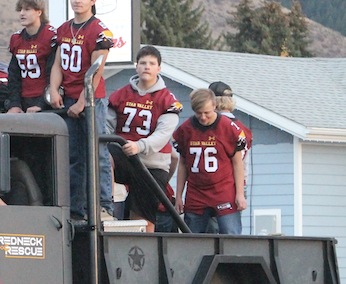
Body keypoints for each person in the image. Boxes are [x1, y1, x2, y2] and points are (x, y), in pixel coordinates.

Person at [48, 0, 114, 220]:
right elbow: (57, 64)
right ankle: (76, 209)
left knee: (98, 152)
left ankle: (104, 206)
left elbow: (96, 71)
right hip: (68, 99)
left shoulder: (99, 31)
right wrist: (54, 90)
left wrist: (82, 101)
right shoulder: (63, 29)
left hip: (92, 101)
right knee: (73, 155)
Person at [106, 45, 183, 232]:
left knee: (142, 221)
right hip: (124, 155)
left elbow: (163, 134)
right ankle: (105, 204)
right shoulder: (121, 94)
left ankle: (145, 247)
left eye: (151, 63)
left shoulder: (167, 100)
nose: (147, 67)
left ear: (159, 68)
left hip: (151, 163)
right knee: (103, 157)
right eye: (143, 63)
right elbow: (106, 126)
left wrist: (139, 146)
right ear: (136, 66)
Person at [173, 88, 247, 234]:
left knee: (230, 234)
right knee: (192, 237)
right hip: (196, 192)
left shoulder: (228, 128)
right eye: (198, 113)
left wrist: (240, 194)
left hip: (223, 190)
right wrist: (179, 196)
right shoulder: (185, 130)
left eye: (206, 112)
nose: (203, 117)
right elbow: (183, 164)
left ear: (214, 106)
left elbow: (237, 163)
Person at [6, 0, 56, 114]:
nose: (22, 13)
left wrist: (42, 103)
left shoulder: (50, 36)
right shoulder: (16, 38)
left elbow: (53, 73)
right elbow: (14, 75)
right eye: (20, 9)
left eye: (27, 9)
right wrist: (15, 104)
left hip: (45, 99)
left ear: (39, 12)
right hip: (24, 100)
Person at [209, 81, 252, 193]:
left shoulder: (209, 127)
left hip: (213, 185)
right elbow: (245, 165)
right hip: (237, 186)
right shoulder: (243, 130)